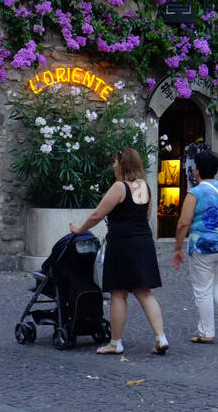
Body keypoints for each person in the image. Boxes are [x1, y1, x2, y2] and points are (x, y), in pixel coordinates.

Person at [71, 148, 169, 356]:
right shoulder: (144, 187)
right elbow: (147, 214)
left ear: (123, 164)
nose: (113, 166)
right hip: (143, 242)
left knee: (118, 292)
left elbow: (99, 214)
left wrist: (80, 228)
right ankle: (161, 337)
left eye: (115, 162)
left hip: (122, 244)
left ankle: (115, 342)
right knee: (144, 292)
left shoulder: (119, 187)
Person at [172, 148, 218, 343]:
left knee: (203, 288)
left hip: (203, 246)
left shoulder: (194, 193)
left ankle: (206, 332)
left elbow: (183, 223)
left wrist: (177, 247)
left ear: (196, 171)